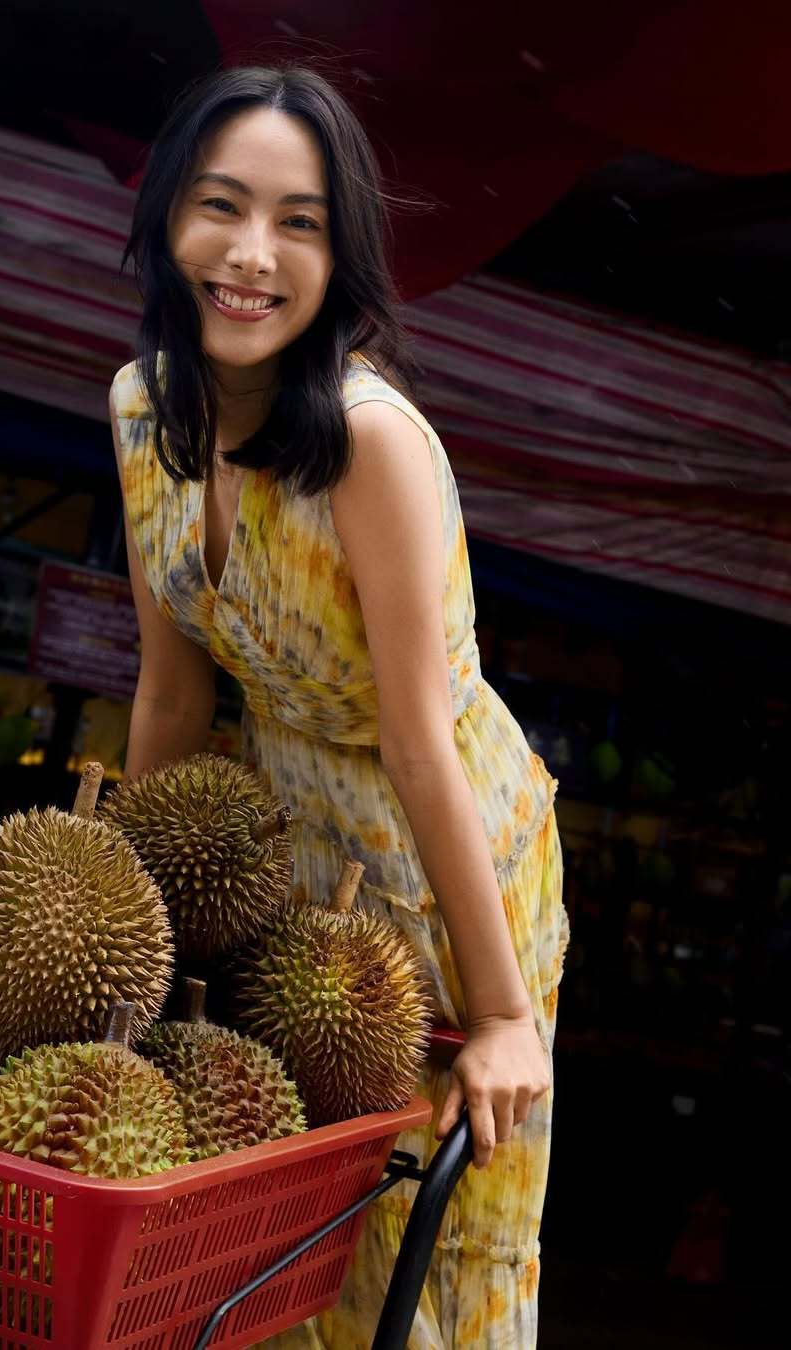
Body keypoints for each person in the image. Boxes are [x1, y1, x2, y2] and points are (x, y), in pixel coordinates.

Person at [109, 63, 570, 1349]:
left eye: (299, 224)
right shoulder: (142, 410)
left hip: (451, 869)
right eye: (221, 207)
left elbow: (424, 742)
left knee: (423, 1262)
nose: (251, 256)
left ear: (341, 257)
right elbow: (172, 686)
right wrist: (132, 945)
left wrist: (499, 1016)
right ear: (165, 220)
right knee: (268, 1250)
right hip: (285, 857)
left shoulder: (373, 444)